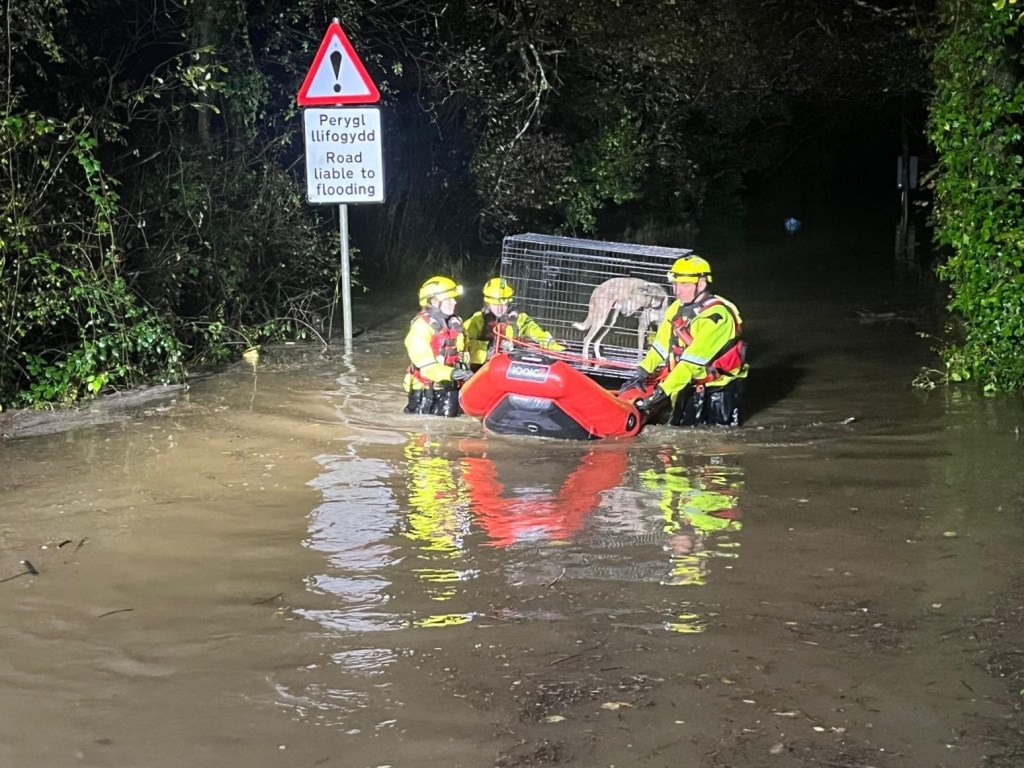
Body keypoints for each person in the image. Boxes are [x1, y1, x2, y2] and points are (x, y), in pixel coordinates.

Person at [619, 255, 747, 426]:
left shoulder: (717, 317)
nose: (677, 291)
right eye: (675, 284)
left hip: (719, 390)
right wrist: (642, 370)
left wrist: (661, 393)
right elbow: (661, 346)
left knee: (720, 441)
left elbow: (691, 363)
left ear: (701, 284)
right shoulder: (675, 308)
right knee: (678, 433)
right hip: (686, 384)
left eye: (684, 285)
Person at [403, 276, 473, 417]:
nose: (454, 302)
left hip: (452, 388)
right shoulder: (420, 327)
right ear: (433, 301)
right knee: (421, 435)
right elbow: (426, 367)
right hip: (426, 391)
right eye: (448, 299)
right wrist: (452, 373)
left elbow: (466, 352)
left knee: (449, 428)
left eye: (454, 298)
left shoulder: (456, 323)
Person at [464, 277, 565, 366]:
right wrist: (494, 348)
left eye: (504, 305)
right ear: (488, 303)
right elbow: (464, 344)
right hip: (483, 371)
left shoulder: (519, 319)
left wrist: (558, 349)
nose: (500, 309)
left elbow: (539, 334)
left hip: (511, 368)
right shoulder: (478, 320)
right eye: (496, 305)